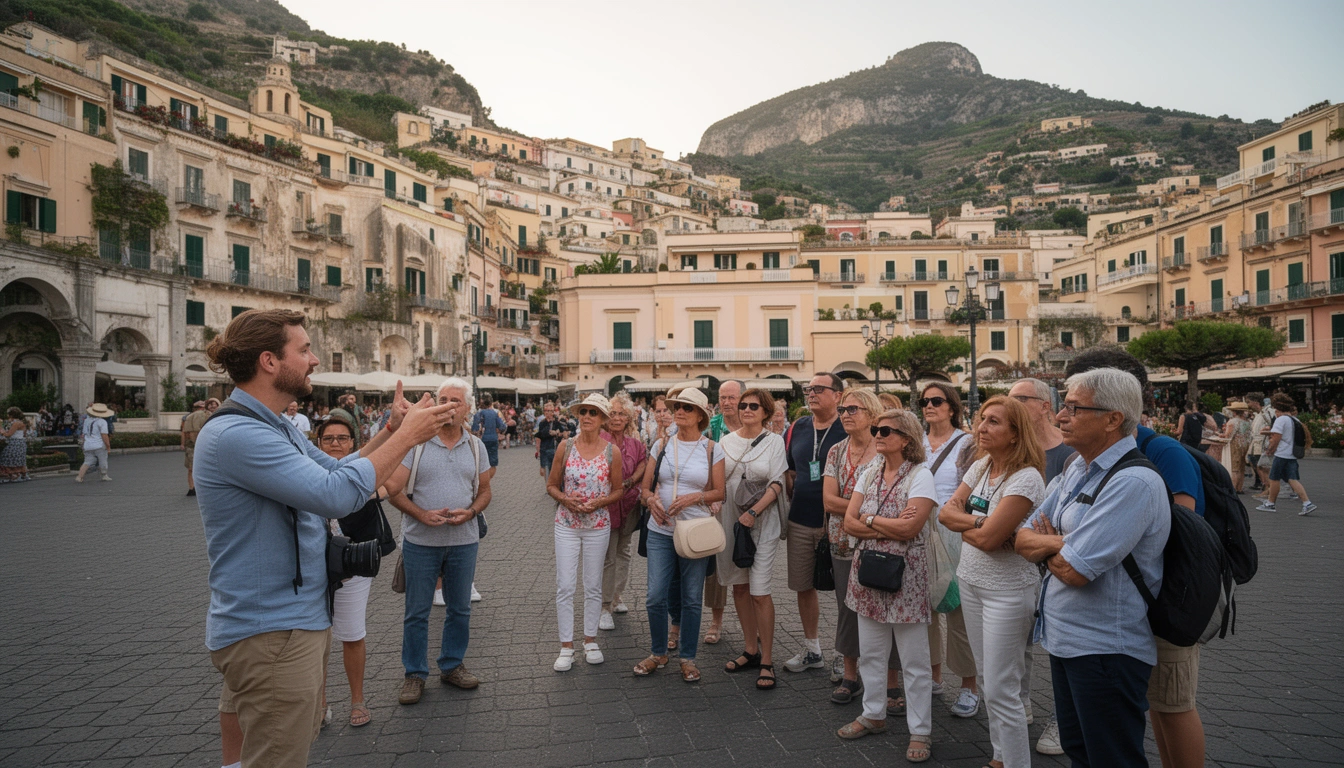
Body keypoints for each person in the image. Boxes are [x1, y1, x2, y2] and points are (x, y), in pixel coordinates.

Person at [196, 309, 449, 767]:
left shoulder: (269, 426)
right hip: (273, 633)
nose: (314, 360)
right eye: (305, 349)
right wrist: (409, 438)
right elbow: (336, 496)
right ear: (270, 361)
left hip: (277, 624)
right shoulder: (239, 434)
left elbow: (336, 471)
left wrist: (391, 430)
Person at [1015, 367, 1170, 768]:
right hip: (1067, 640)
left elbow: (1074, 572)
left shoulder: (1133, 482)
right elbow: (1020, 538)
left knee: (1112, 758)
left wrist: (1052, 547)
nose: (1060, 416)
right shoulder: (1076, 468)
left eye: (1073, 407)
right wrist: (1064, 543)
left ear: (1113, 419)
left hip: (1106, 649)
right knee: (1081, 751)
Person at [1064, 347, 1208, 768]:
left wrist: (1086, 539)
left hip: (1162, 600)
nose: (1067, 410)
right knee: (1144, 708)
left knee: (1171, 703)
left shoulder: (1161, 452)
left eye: (1078, 401)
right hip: (1120, 605)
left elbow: (1182, 525)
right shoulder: (1085, 456)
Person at [939, 397, 1047, 768]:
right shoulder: (982, 465)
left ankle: (1015, 762)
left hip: (1008, 590)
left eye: (994, 422)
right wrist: (984, 524)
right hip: (970, 581)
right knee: (987, 678)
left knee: (1003, 688)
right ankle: (1000, 756)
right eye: (981, 419)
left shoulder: (1027, 477)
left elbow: (981, 537)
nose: (982, 427)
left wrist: (973, 525)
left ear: (1016, 434)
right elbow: (945, 514)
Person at [834, 409, 937, 763]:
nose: (877, 434)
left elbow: (912, 529)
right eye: (876, 428)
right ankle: (873, 713)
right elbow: (849, 522)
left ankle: (920, 730)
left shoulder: (921, 475)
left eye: (886, 430)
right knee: (872, 652)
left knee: (914, 661)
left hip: (907, 576)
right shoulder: (869, 471)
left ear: (906, 438)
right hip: (868, 574)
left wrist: (871, 520)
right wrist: (886, 523)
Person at [383, 378, 490, 705]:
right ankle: (414, 673)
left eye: (456, 400)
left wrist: (471, 512)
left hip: (464, 541)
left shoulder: (476, 446)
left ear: (467, 408)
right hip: (420, 543)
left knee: (460, 609)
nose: (448, 405)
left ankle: (452, 664)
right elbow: (392, 488)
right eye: (443, 398)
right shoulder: (416, 444)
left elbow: (485, 491)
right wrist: (420, 514)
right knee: (416, 612)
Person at [636, 387, 724, 683]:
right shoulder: (660, 444)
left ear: (700, 415)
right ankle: (658, 652)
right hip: (660, 529)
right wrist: (650, 501)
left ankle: (687, 657)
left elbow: (719, 491)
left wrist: (693, 498)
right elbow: (644, 488)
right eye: (677, 407)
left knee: (691, 597)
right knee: (655, 596)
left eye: (687, 407)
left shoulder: (712, 448)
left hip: (695, 532)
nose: (679, 411)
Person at [313, 417, 395, 728]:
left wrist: (363, 491)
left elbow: (388, 486)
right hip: (313, 563)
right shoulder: (307, 469)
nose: (335, 443)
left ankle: (357, 698)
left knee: (351, 632)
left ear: (353, 442)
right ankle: (319, 702)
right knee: (316, 636)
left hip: (353, 560)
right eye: (328, 438)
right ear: (319, 443)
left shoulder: (363, 466)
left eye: (342, 438)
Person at [822, 389, 902, 707]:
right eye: (842, 409)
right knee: (847, 610)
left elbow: (892, 499)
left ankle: (892, 682)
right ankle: (851, 675)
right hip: (842, 541)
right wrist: (864, 513)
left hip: (879, 543)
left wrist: (858, 514)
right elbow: (828, 500)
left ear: (871, 413)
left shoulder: (884, 450)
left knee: (886, 608)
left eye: (853, 409)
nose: (845, 414)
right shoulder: (836, 451)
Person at [717, 388, 789, 691]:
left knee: (759, 590)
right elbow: (718, 482)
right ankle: (750, 648)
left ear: (765, 412)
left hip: (763, 523)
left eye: (754, 406)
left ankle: (768, 659)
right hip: (731, 522)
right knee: (740, 587)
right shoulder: (724, 442)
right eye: (743, 405)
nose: (746, 410)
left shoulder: (774, 442)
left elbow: (777, 484)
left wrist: (754, 513)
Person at [547, 394, 624, 670]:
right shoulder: (565, 447)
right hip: (566, 524)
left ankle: (590, 640)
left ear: (603, 419)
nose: (588, 416)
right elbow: (552, 485)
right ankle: (566, 645)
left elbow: (618, 489)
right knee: (565, 585)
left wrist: (599, 503)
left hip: (598, 526)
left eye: (594, 412)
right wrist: (566, 500)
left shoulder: (611, 451)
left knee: (592, 585)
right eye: (584, 412)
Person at [918, 382, 979, 717]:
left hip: (952, 530)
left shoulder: (968, 442)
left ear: (952, 407)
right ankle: (934, 677)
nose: (929, 405)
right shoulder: (917, 441)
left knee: (957, 609)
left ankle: (969, 685)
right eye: (924, 401)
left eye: (937, 401)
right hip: (918, 530)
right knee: (925, 607)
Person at [783, 372, 848, 674]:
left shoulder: (847, 427)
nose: (811, 393)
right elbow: (791, 470)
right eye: (809, 389)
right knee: (803, 586)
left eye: (819, 389)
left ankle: (844, 655)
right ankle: (813, 649)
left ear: (837, 395)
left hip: (838, 522)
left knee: (844, 592)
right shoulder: (797, 426)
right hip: (800, 520)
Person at [600, 394, 648, 631]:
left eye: (621, 414)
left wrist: (630, 482)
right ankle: (604, 605)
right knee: (608, 556)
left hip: (628, 504)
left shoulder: (635, 443)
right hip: (605, 505)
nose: (616, 418)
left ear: (628, 417)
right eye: (612, 413)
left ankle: (617, 595)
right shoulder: (599, 439)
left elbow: (642, 463)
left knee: (624, 551)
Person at [703, 381, 745, 644]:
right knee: (716, 563)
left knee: (745, 561)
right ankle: (716, 621)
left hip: (748, 503)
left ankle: (750, 622)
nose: (727, 402)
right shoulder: (711, 427)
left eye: (732, 397)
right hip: (716, 502)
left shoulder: (752, 424)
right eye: (722, 397)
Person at [1259, 393, 1316, 515]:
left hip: (1281, 454)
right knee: (1292, 479)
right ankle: (1307, 503)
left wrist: (1270, 449)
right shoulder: (1295, 419)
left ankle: (1270, 503)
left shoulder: (1281, 420)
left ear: (1277, 408)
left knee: (1274, 478)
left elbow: (1276, 437)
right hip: (1291, 454)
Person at [1009, 378, 1073, 482]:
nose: (1012, 406)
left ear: (1044, 407)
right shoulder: (1007, 446)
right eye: (1009, 401)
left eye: (1020, 399)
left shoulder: (1071, 448)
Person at [471, 398, 507, 480]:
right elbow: (502, 426)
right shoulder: (495, 413)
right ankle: (487, 481)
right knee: (493, 462)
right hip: (493, 438)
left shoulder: (479, 413)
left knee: (481, 462)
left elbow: (475, 428)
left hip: (482, 439)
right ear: (490, 404)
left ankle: (482, 481)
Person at [76, 403, 113, 482]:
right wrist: (108, 447)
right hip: (99, 445)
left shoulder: (86, 421)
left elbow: (84, 433)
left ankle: (80, 476)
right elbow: (104, 436)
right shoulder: (102, 422)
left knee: (87, 461)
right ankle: (104, 475)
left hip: (88, 444)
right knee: (103, 460)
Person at [1222, 402, 1253, 494]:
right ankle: (1239, 487)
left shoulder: (1233, 422)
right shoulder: (1248, 422)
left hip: (1235, 444)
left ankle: (1233, 488)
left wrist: (1220, 435)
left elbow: (1228, 435)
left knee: (1234, 468)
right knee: (1241, 467)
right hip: (1246, 444)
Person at [181, 401, 210, 496]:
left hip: (191, 444)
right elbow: (187, 431)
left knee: (191, 468)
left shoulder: (188, 417)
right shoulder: (196, 416)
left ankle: (192, 487)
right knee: (194, 467)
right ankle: (194, 488)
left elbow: (184, 432)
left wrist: (183, 444)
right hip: (196, 444)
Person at [1, 407, 31, 482]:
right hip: (20, 442)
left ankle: (14, 474)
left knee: (6, 458)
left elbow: (8, 434)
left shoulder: (16, 423)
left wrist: (1, 430)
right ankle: (23, 474)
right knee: (19, 460)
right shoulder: (21, 422)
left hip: (14, 443)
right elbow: (24, 434)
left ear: (11, 415)